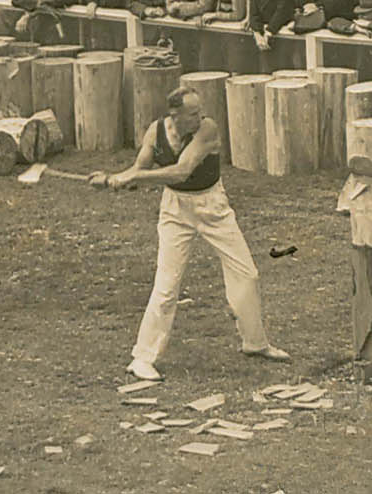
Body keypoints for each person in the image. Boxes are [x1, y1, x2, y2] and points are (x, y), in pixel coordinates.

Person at [98, 88, 289, 382]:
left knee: (247, 274)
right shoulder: (155, 131)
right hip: (175, 211)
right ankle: (142, 358)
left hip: (212, 206)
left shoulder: (207, 129)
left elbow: (182, 171)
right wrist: (113, 179)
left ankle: (255, 343)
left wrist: (134, 178)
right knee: (166, 284)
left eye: (200, 111)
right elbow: (139, 167)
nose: (199, 118)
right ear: (175, 116)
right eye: (192, 114)